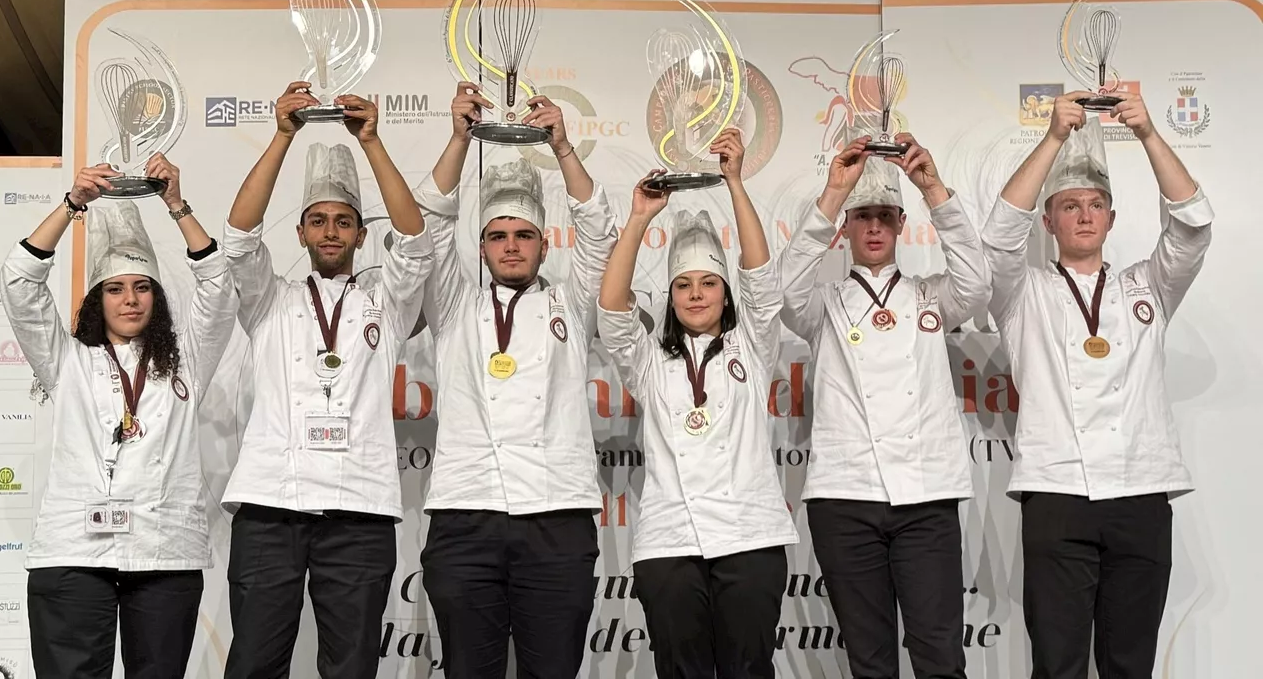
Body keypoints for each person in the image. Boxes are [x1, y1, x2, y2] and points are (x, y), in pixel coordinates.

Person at [983, 91, 1211, 679]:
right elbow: (997, 238)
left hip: (1141, 491)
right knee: (1058, 665)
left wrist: (1149, 133)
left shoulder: (1147, 287)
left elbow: (1192, 226)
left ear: (1111, 217)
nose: (1084, 215)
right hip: (1057, 494)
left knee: (1130, 664)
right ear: (1049, 220)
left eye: (1095, 205)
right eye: (1069, 205)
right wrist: (1054, 137)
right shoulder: (1021, 294)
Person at [220, 82, 433, 679]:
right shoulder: (269, 301)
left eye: (344, 222)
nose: (332, 232)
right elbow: (238, 238)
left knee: (352, 667)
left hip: (358, 509)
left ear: (362, 234)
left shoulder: (383, 306)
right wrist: (283, 135)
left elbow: (415, 246)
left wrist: (372, 141)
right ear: (302, 232)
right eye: (319, 221)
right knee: (254, 665)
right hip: (270, 507)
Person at [1, 154, 236, 678]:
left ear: (157, 294)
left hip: (164, 553)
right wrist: (71, 205)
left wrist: (176, 205)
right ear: (95, 300)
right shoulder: (66, 359)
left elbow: (219, 287)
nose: (130, 299)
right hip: (73, 554)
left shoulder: (187, 360)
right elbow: (18, 284)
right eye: (115, 288)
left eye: (142, 286)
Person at [410, 82, 616, 678]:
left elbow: (599, 234)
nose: (510, 246)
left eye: (523, 235)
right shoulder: (452, 304)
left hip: (556, 518)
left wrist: (563, 149)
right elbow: (428, 225)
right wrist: (457, 139)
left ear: (544, 243)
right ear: (481, 246)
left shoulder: (572, 306)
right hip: (464, 517)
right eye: (497, 236)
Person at [780, 133, 990, 679]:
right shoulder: (822, 304)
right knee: (870, 661)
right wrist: (833, 193)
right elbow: (781, 293)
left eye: (884, 216)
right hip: (845, 500)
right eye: (862, 216)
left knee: (940, 656)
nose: (873, 227)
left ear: (901, 224)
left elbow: (978, 282)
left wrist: (934, 191)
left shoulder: (930, 296)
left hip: (926, 497)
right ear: (845, 229)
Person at [598, 129, 798, 677]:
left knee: (749, 670)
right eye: (683, 285)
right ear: (669, 296)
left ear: (725, 292)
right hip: (669, 544)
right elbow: (612, 311)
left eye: (708, 282)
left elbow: (761, 279)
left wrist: (734, 181)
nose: (695, 294)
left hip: (750, 539)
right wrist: (639, 218)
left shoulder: (751, 348)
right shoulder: (648, 360)